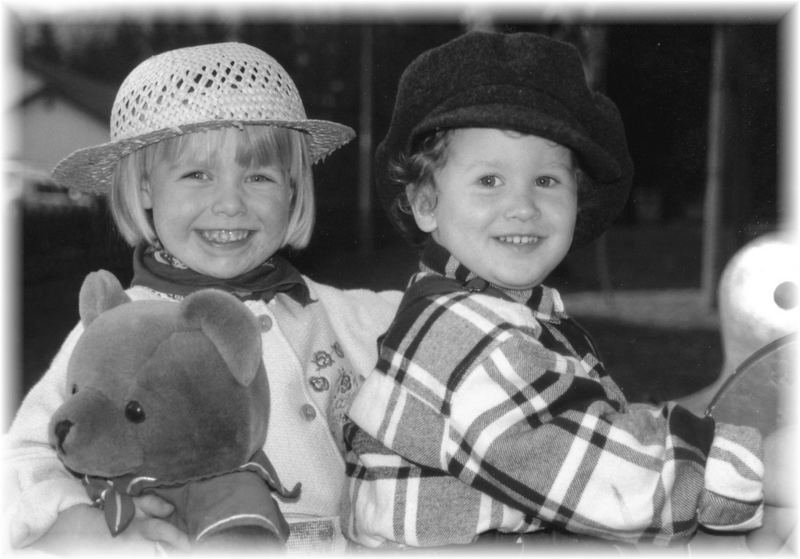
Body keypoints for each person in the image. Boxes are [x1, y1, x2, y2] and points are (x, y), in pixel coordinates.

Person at [342, 30, 795, 551]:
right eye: (489, 180)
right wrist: (762, 468)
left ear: (577, 201)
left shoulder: (512, 318)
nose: (523, 206)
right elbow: (596, 473)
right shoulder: (457, 332)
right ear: (425, 204)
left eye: (547, 181)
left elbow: (604, 430)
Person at [4, 42, 401, 555]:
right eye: (197, 175)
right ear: (145, 188)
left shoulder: (338, 314)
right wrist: (72, 518)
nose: (231, 203)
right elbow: (24, 456)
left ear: (293, 191)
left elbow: (439, 325)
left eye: (259, 176)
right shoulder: (115, 329)